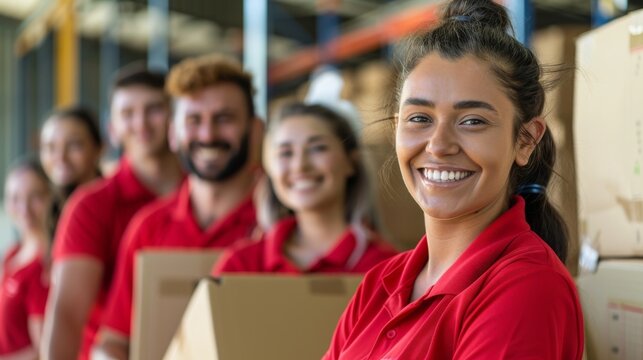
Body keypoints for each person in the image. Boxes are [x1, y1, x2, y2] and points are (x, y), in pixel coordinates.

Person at [323, 1, 584, 359]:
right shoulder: (378, 286)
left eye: (472, 121)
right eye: (419, 118)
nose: (439, 145)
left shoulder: (526, 288)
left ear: (525, 140)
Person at [94, 54, 263, 359]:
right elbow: (114, 340)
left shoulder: (283, 224)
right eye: (193, 120)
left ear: (255, 129)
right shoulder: (149, 228)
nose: (208, 135)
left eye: (224, 119)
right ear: (173, 133)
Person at [41, 65, 184, 360]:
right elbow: (67, 315)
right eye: (127, 113)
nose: (141, 122)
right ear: (112, 129)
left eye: (154, 108)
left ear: (176, 117)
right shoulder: (91, 207)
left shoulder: (205, 198)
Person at [212, 102, 397, 275]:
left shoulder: (386, 268)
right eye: (286, 153)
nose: (300, 166)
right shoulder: (241, 265)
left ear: (351, 162)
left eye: (317, 148)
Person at [0, 159, 53, 360]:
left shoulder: (45, 266)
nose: (24, 208)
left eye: (35, 197)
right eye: (14, 198)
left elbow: (43, 351)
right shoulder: (12, 254)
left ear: (51, 197)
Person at [39, 106, 103, 200]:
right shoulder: (45, 208)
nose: (61, 157)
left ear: (99, 149)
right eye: (50, 147)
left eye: (73, 145)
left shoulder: (115, 207)